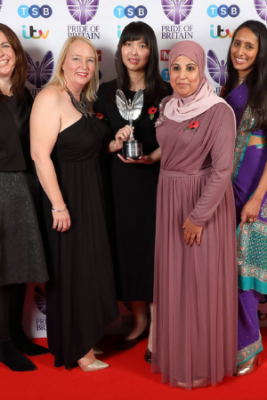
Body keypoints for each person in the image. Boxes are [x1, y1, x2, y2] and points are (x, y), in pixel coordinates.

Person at [30, 36, 127, 371]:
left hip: (91, 196)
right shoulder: (50, 97)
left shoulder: (82, 100)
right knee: (70, 271)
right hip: (66, 196)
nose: (84, 66)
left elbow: (89, 149)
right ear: (62, 62)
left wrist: (114, 143)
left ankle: (86, 338)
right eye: (76, 59)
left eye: (90, 61)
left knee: (88, 268)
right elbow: (40, 156)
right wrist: (58, 204)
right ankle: (77, 350)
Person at [151, 41, 238, 389]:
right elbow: (171, 148)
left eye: (191, 68)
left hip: (202, 203)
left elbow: (222, 171)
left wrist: (197, 217)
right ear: (168, 71)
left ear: (202, 70)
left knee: (201, 284)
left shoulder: (219, 111)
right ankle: (179, 358)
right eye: (176, 68)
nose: (183, 75)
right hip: (168, 197)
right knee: (175, 283)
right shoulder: (168, 105)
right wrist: (151, 157)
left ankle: (202, 362)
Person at [94, 21, 172, 362]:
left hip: (155, 184)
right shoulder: (104, 91)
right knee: (126, 251)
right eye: (128, 44)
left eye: (142, 45)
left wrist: (153, 156)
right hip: (118, 186)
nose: (134, 52)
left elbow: (182, 142)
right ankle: (139, 321)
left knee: (153, 254)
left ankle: (158, 328)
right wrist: (114, 143)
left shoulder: (166, 92)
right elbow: (94, 142)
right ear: (120, 50)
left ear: (152, 51)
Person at [0, 23, 48, 371]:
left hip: (25, 187)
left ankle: (16, 333)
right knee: (3, 268)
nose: (0, 53)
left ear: (16, 51)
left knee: (20, 266)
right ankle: (3, 343)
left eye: (4, 46)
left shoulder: (26, 96)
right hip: (0, 187)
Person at [222, 20, 267, 376]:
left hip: (256, 189)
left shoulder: (264, 88)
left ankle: (248, 347)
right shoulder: (229, 85)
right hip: (229, 186)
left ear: (261, 51)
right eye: (237, 44)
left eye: (249, 46)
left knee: (244, 273)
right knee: (227, 269)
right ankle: (231, 340)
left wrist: (256, 199)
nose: (241, 51)